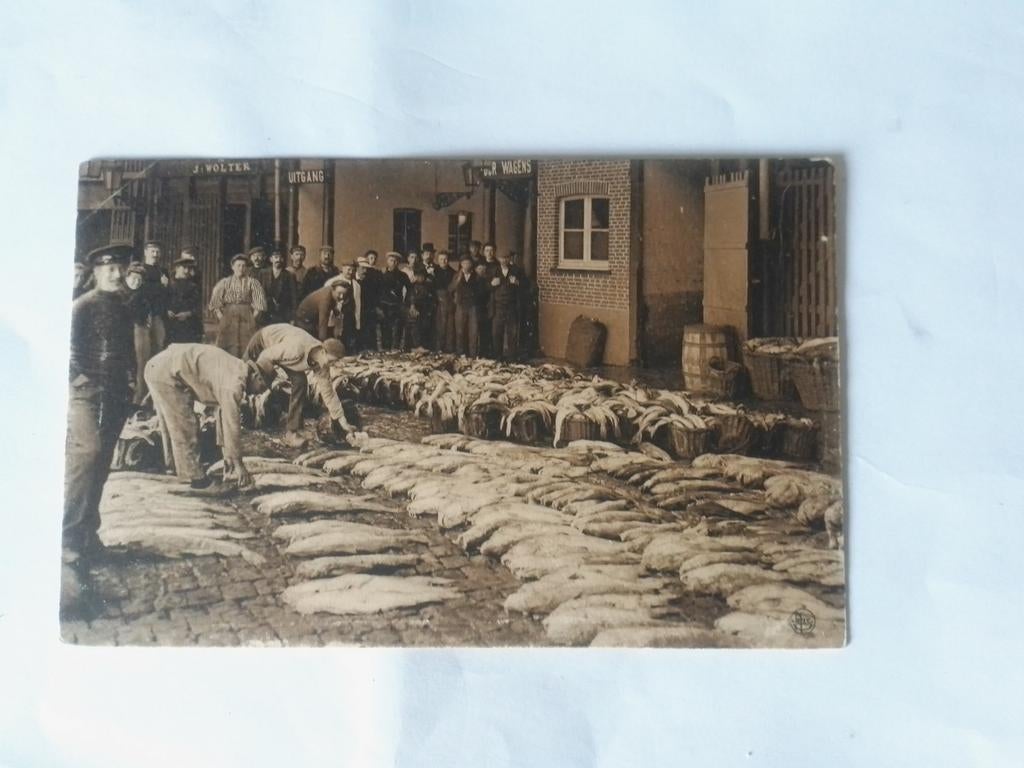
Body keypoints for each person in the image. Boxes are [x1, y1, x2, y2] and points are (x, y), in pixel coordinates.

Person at [64, 245, 135, 593]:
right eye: (109, 270)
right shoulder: (83, 305)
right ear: (95, 273)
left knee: (103, 461)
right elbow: (61, 346)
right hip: (86, 394)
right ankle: (68, 543)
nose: (116, 274)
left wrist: (131, 381)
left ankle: (88, 537)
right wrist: (78, 379)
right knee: (86, 455)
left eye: (120, 268)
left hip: (115, 394)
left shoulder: (122, 307)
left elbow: (127, 349)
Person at [145, 343, 270, 490]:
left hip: (158, 365)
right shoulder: (233, 385)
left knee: (170, 424)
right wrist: (238, 464)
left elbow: (222, 414)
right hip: (166, 373)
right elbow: (231, 424)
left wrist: (228, 456)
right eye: (261, 387)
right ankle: (196, 480)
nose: (258, 393)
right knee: (185, 426)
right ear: (256, 376)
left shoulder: (236, 368)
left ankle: (173, 469)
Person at [244, 325, 355, 448]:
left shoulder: (322, 364)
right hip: (262, 342)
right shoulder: (297, 349)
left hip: (281, 352)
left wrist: (343, 422)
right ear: (323, 352)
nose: (331, 365)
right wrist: (263, 379)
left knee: (300, 382)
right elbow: (266, 355)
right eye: (331, 361)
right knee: (249, 381)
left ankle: (291, 433)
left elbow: (329, 393)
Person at [129, 240, 169, 404]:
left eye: (158, 251)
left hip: (158, 316)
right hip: (142, 318)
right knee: (142, 357)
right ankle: (139, 397)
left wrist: (165, 287)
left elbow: (165, 297)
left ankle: (154, 397)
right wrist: (160, 287)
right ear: (146, 253)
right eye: (152, 251)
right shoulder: (139, 270)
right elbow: (138, 294)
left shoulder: (163, 272)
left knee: (159, 353)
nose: (155, 254)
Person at [208, 253, 267, 356]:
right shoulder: (225, 282)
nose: (241, 268)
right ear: (232, 267)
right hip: (228, 316)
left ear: (247, 268)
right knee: (226, 346)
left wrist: (252, 319)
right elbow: (215, 303)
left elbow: (260, 304)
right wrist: (222, 318)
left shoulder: (253, 283)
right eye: (238, 265)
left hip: (247, 317)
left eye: (244, 266)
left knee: (248, 345)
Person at [489, 250, 525, 361]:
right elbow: (485, 287)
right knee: (496, 333)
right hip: (498, 306)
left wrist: (517, 282)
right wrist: (491, 284)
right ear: (498, 259)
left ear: (509, 259)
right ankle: (498, 357)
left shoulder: (516, 271)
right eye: (501, 258)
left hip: (511, 306)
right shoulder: (493, 270)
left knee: (512, 333)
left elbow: (526, 285)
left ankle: (511, 358)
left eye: (506, 258)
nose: (504, 260)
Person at [295, 276, 350, 342]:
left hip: (311, 319)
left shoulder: (330, 290)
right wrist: (323, 343)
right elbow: (323, 324)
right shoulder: (325, 301)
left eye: (344, 294)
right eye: (339, 293)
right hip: (304, 321)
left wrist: (335, 310)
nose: (342, 297)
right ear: (333, 289)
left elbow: (332, 301)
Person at [166, 256, 205, 343]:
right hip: (172, 325)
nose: (187, 271)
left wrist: (187, 314)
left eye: (188, 268)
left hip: (189, 325)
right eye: (184, 268)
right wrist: (167, 311)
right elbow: (163, 302)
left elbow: (198, 307)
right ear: (176, 268)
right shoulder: (168, 285)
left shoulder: (193, 286)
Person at [450, 254, 483, 356]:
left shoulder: (477, 276)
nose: (466, 265)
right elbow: (450, 289)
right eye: (464, 263)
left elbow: (481, 291)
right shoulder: (456, 275)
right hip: (460, 306)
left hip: (473, 306)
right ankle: (460, 354)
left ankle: (473, 354)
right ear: (461, 264)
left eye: (468, 263)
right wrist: (457, 281)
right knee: (460, 331)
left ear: (472, 264)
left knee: (473, 331)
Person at [378, 252, 409, 350]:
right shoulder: (381, 275)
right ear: (387, 261)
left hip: (397, 305)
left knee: (397, 329)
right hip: (385, 305)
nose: (393, 263)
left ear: (398, 263)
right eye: (391, 260)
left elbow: (410, 288)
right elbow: (377, 290)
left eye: (396, 261)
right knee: (385, 329)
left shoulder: (402, 275)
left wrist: (406, 302)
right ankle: (386, 350)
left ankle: (395, 350)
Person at [263, 248, 297, 325]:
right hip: (266, 313)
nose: (278, 260)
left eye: (280, 258)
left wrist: (292, 318)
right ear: (271, 259)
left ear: (283, 259)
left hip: (283, 314)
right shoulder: (263, 273)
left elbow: (294, 298)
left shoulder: (289, 275)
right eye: (275, 257)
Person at [430, 250, 456, 351]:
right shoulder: (433, 271)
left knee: (449, 325)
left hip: (449, 300)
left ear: (448, 260)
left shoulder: (453, 272)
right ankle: (438, 348)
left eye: (445, 259)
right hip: (436, 301)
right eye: (441, 259)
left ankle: (448, 348)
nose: (443, 261)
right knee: (438, 325)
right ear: (438, 260)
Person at [403, 270, 435, 350]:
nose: (420, 278)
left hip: (425, 310)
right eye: (418, 276)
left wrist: (429, 311)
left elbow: (431, 300)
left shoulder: (428, 287)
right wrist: (412, 306)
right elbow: (410, 298)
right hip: (412, 309)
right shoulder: (412, 286)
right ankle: (415, 345)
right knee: (414, 320)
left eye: (422, 276)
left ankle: (424, 345)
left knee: (427, 323)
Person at [356, 251, 382, 351]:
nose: (365, 271)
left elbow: (372, 297)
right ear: (357, 268)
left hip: (366, 310)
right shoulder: (352, 280)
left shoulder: (368, 281)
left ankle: (369, 349)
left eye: (366, 269)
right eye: (362, 268)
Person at [338, 263, 360, 352]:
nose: (350, 272)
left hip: (351, 316)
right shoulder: (335, 281)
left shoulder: (356, 285)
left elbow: (358, 303)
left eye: (352, 270)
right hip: (339, 316)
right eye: (348, 269)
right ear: (343, 269)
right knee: (338, 341)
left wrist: (358, 321)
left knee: (350, 341)